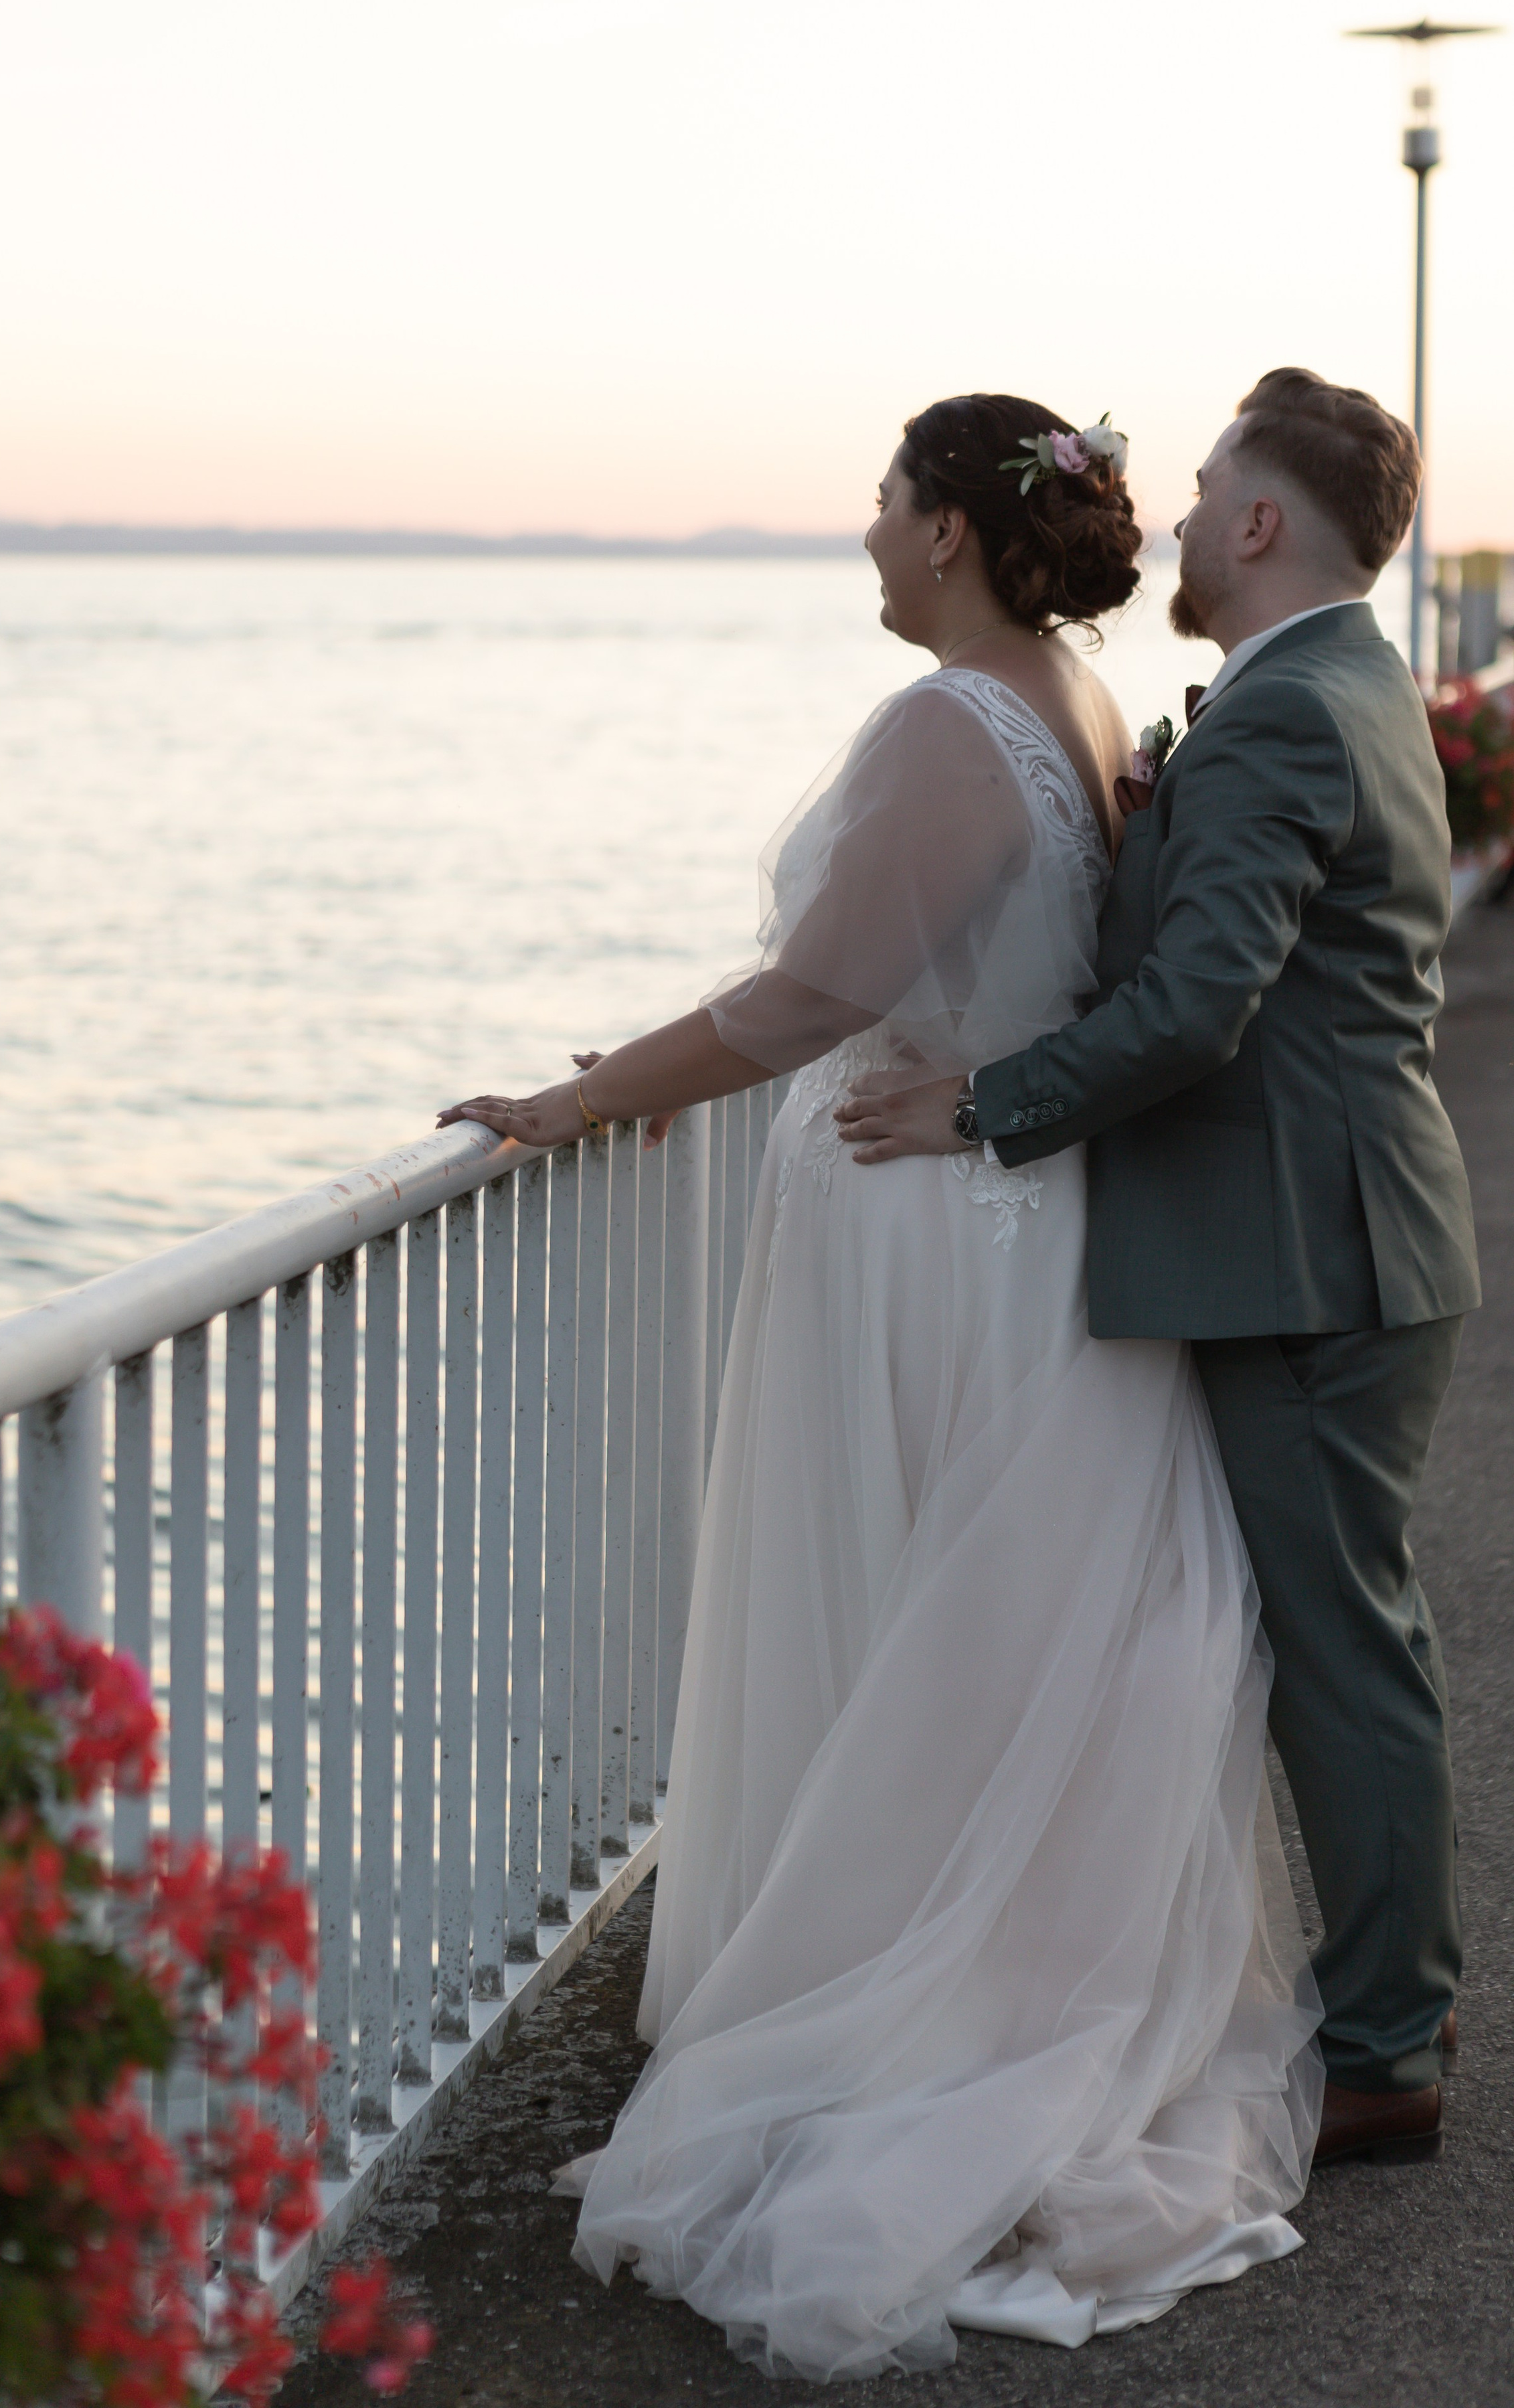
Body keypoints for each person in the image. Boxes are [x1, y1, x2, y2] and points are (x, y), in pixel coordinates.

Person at [441, 394, 1324, 2382]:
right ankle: (941, 1957)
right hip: (1011, 1214)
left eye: (883, 500)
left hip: (934, 1231)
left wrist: (574, 1098)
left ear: (949, 534)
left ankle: (882, 2002)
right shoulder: (1084, 707)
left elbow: (806, 1004)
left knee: (907, 1612)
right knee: (980, 1636)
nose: (862, 532)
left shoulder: (955, 723)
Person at [841, 368, 1476, 2174]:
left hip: (1309, 1253)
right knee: (1328, 1638)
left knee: (1341, 1651)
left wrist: (989, 1105)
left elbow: (1206, 1005)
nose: (1180, 520)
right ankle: (1373, 2013)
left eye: (1208, 493)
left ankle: (1385, 2048)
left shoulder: (1290, 714)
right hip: (1319, 1235)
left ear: (1266, 522)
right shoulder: (1329, 688)